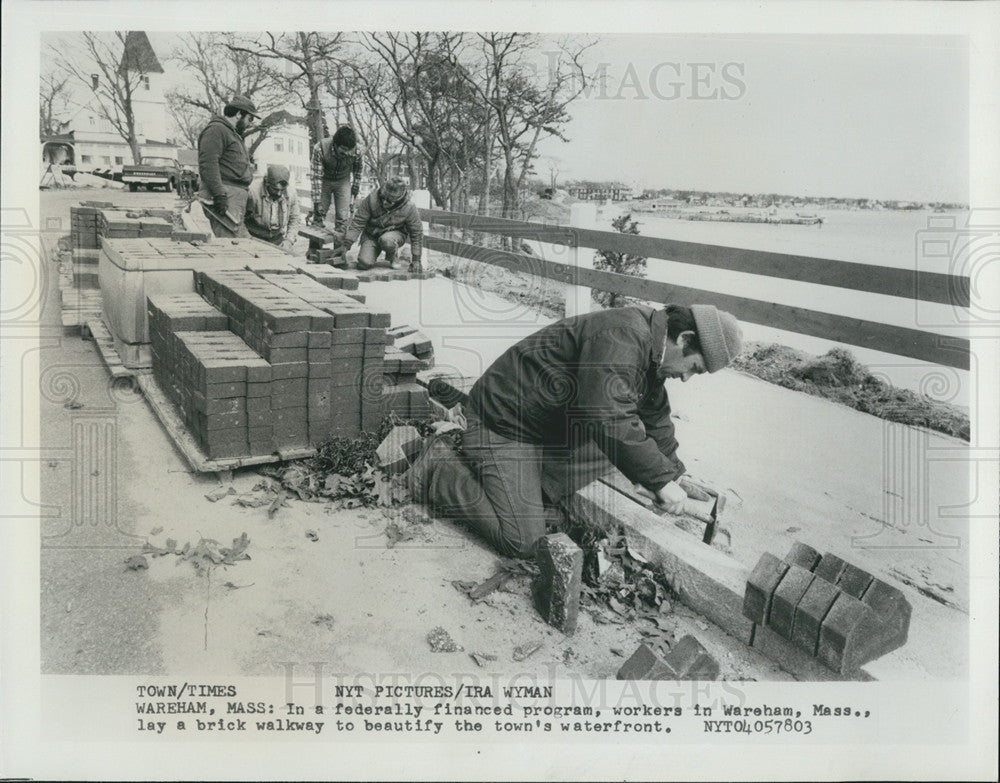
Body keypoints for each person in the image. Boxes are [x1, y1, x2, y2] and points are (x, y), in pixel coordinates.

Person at [407, 303, 743, 558]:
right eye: (694, 368)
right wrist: (658, 482)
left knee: (620, 448)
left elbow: (653, 415)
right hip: (501, 421)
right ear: (684, 339)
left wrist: (675, 474)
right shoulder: (623, 336)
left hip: (539, 424)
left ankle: (528, 493)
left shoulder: (652, 348)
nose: (686, 377)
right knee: (523, 542)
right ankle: (439, 468)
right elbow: (608, 416)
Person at [197, 95, 259, 238]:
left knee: (239, 241)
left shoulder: (231, 133)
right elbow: (208, 164)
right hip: (226, 196)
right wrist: (219, 195)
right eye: (250, 118)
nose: (250, 123)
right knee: (230, 244)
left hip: (234, 196)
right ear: (238, 114)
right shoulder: (216, 130)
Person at [335, 177, 423, 272]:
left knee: (387, 240)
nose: (384, 202)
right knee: (364, 263)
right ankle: (374, 252)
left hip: (394, 234)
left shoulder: (409, 207)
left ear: (399, 199)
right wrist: (346, 245)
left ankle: (392, 256)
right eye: (383, 197)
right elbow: (358, 222)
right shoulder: (371, 199)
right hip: (372, 235)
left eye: (389, 200)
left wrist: (416, 260)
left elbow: (416, 233)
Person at [310, 125, 364, 231]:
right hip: (324, 179)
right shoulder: (320, 148)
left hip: (343, 180)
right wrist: (317, 203)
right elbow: (316, 177)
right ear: (335, 144)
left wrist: (354, 190)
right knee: (319, 214)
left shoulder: (357, 151)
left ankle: (339, 246)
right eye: (343, 149)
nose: (347, 153)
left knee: (342, 217)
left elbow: (358, 172)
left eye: (349, 150)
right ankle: (314, 246)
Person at [244, 164, 301, 251]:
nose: (278, 193)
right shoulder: (252, 191)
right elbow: (240, 219)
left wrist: (289, 241)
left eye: (282, 190)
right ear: (267, 182)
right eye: (275, 189)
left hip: (277, 240)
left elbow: (294, 219)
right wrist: (247, 238)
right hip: (253, 239)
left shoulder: (291, 193)